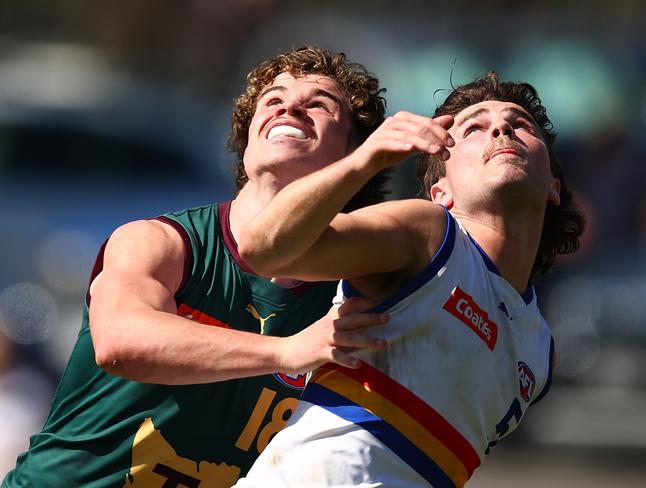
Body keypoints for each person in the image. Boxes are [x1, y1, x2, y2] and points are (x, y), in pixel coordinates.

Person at [2, 46, 392, 488]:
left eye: (320, 103)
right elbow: (121, 343)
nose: (290, 105)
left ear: (356, 154)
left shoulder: (350, 299)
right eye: (273, 98)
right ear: (247, 139)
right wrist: (288, 351)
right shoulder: (161, 242)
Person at [235, 72, 586, 487]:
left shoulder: (541, 350)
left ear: (553, 187)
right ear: (441, 192)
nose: (501, 127)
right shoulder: (431, 235)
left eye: (521, 125)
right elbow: (263, 248)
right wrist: (367, 158)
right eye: (473, 127)